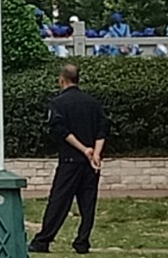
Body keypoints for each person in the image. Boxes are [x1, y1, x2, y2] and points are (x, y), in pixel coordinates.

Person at [29, 64, 110, 255]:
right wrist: (95, 154)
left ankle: (43, 241)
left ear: (62, 80)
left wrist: (84, 149)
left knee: (59, 201)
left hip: (70, 160)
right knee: (88, 203)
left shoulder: (58, 103)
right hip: (91, 163)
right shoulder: (93, 103)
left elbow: (61, 131)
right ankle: (82, 242)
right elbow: (102, 129)